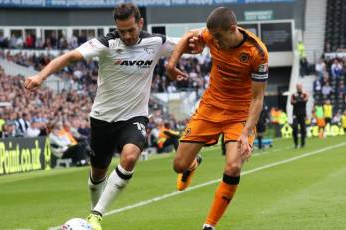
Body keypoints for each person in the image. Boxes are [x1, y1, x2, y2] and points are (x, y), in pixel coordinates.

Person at [24, 3, 177, 230]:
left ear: (141, 23)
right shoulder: (105, 44)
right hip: (102, 119)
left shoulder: (156, 42)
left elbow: (189, 42)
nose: (126, 35)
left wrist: (173, 64)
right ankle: (95, 217)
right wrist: (41, 76)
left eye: (131, 30)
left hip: (135, 117)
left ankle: (96, 214)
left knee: (130, 157)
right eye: (121, 30)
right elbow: (69, 57)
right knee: (98, 174)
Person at [166, 7, 268, 230]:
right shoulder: (212, 35)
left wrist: (245, 133)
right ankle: (192, 165)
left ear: (233, 29)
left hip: (240, 114)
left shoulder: (257, 52)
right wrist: (171, 64)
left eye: (220, 38)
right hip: (210, 108)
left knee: (233, 167)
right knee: (178, 165)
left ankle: (209, 225)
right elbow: (186, 36)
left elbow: (258, 98)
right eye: (213, 38)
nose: (216, 43)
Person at [291, 84, 308, 148]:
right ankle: (296, 143)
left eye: (300, 86)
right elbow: (292, 102)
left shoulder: (304, 94)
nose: (299, 88)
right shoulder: (293, 95)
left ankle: (302, 143)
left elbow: (306, 100)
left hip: (302, 114)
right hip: (295, 114)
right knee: (295, 128)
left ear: (301, 87)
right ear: (296, 87)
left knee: (303, 129)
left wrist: (298, 100)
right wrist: (300, 100)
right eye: (297, 87)